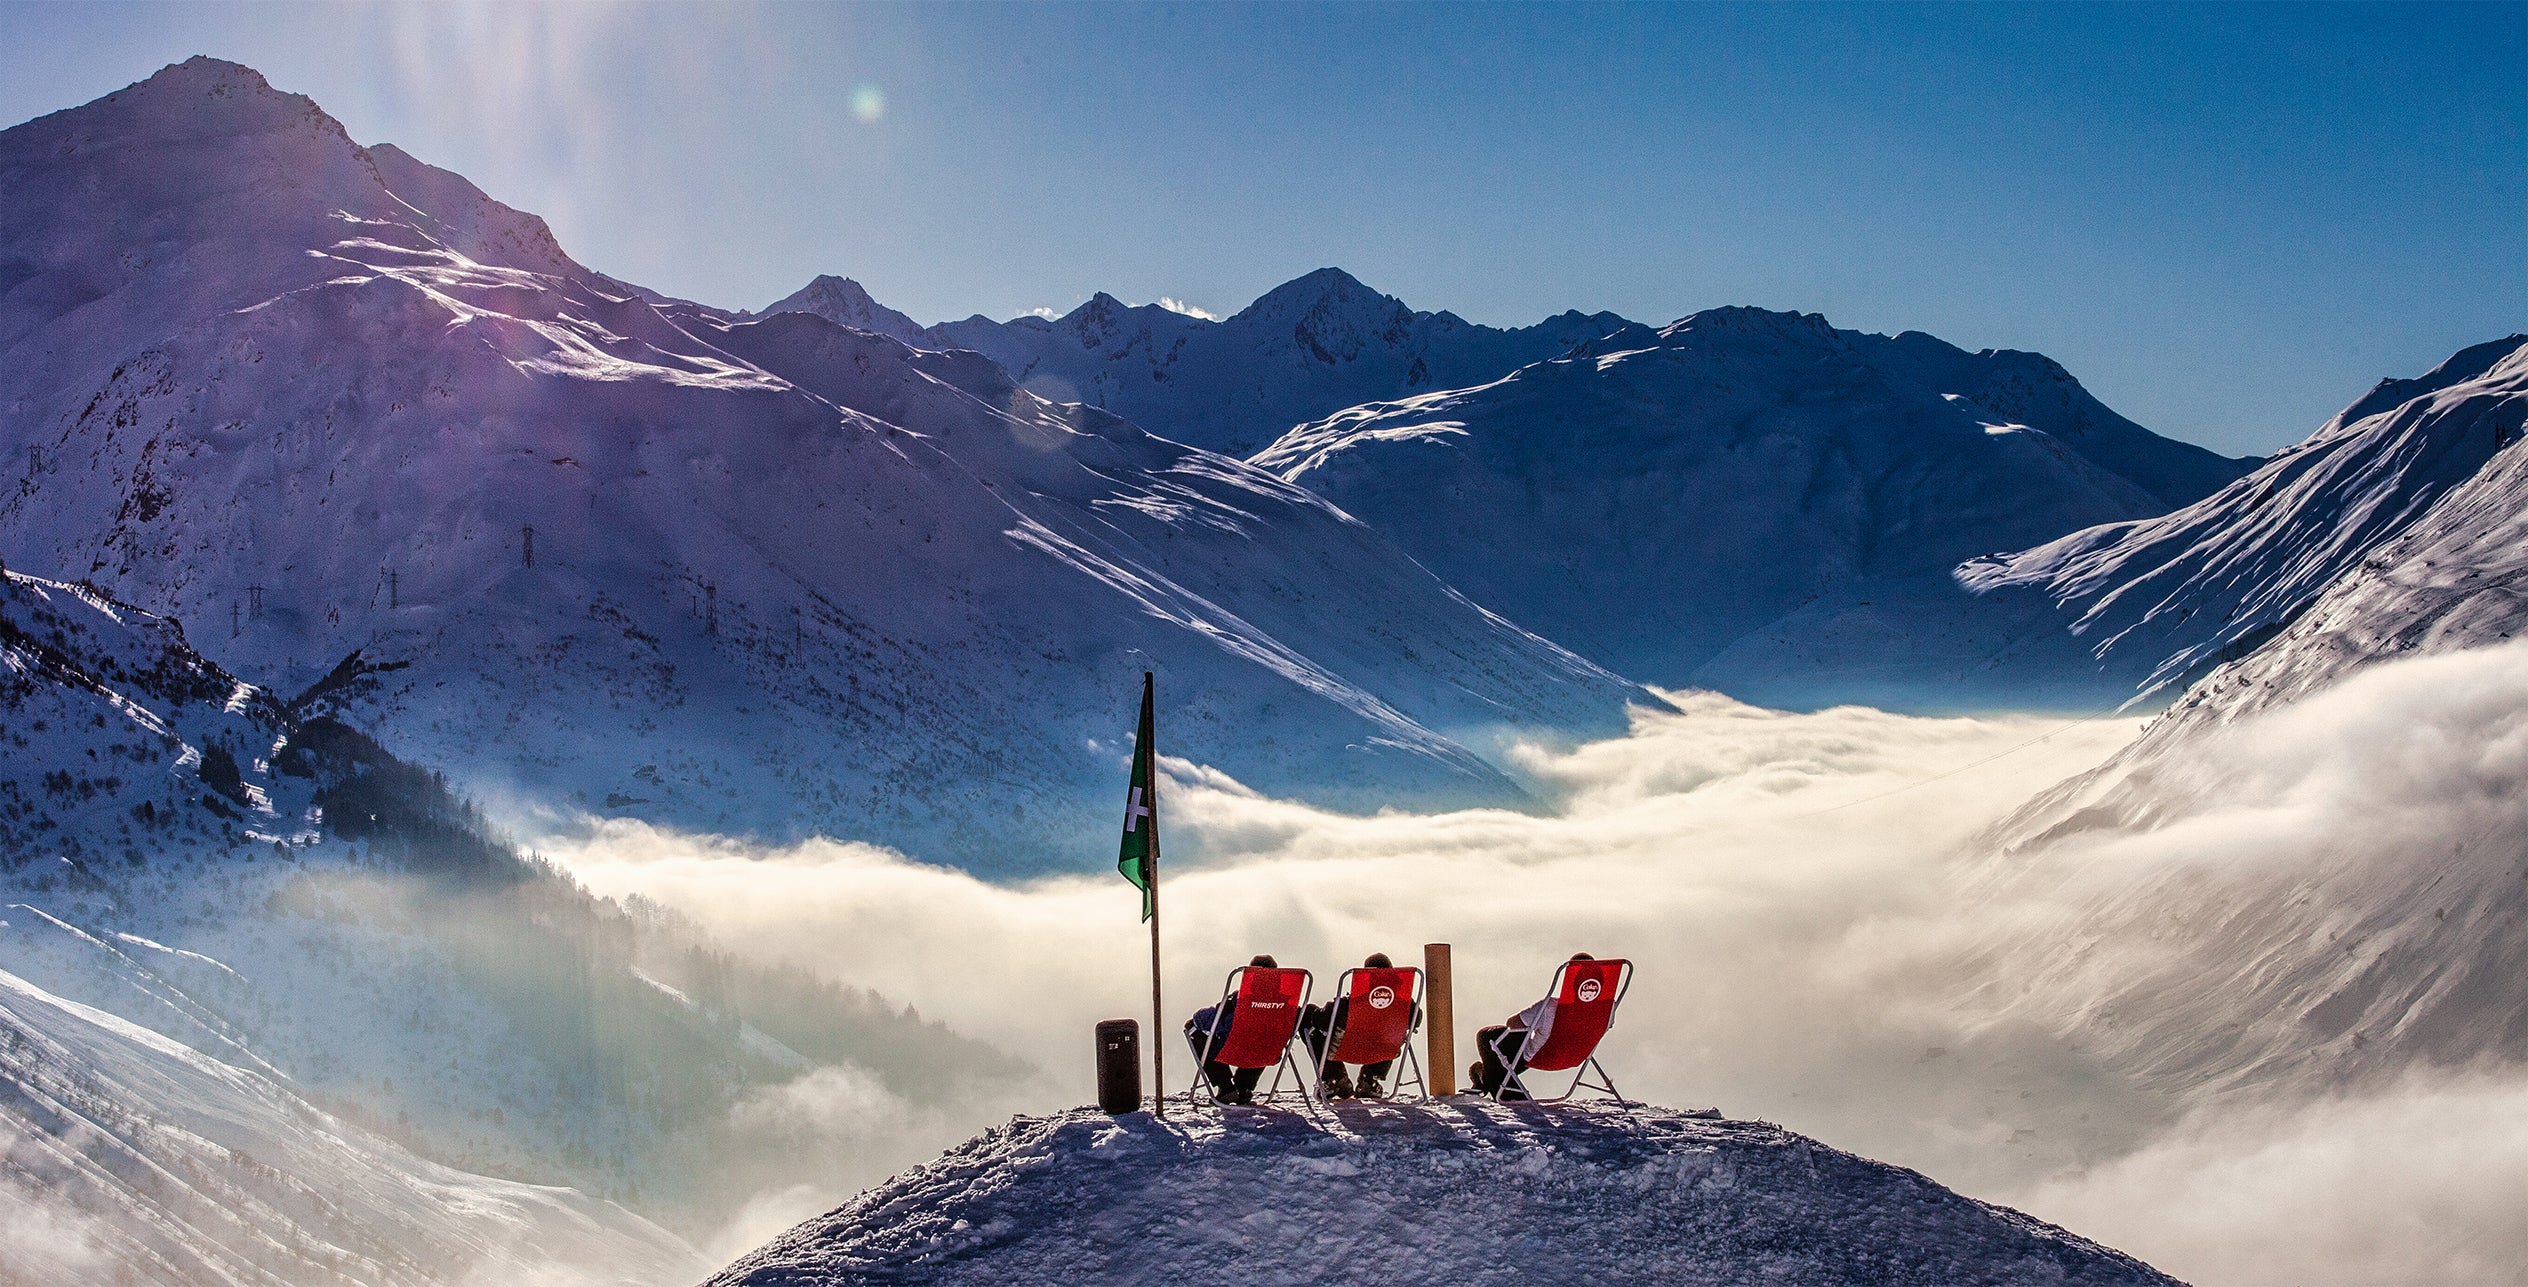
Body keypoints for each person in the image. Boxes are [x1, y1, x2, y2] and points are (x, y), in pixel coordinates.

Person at [1471, 952, 1594, 1100]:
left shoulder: (1549, 1007)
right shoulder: (1605, 1010)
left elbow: (1512, 1023)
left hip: (1539, 1056)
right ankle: (1486, 1077)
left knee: (1487, 1035)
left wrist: (1533, 1027)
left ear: (1569, 978)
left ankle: (1503, 1090)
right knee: (1506, 1053)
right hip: (1575, 1056)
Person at [1298, 952, 1418, 1099]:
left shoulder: (1351, 1005)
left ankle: (1335, 1077)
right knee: (1392, 1035)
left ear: (1366, 977)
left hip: (1348, 1049)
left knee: (1307, 1016)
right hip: (1384, 1053)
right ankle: (1370, 1079)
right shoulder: (1404, 1006)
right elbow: (1416, 1021)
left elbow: (1320, 1020)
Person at [1185, 954, 1278, 1105]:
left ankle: (1225, 1087)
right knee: (1261, 1043)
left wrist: (1198, 1016)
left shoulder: (1240, 1001)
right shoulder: (1286, 1004)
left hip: (1235, 1051)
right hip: (1268, 1053)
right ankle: (1244, 1087)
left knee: (1192, 1028)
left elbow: (1213, 1021)